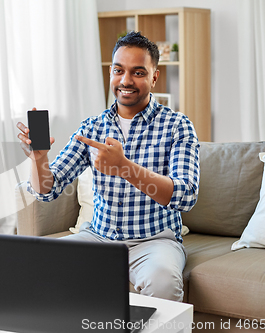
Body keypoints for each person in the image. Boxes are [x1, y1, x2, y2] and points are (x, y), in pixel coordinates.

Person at [16, 31, 200, 302]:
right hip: (98, 238)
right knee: (35, 263)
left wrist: (124, 167)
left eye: (138, 72)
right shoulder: (93, 127)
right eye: (118, 70)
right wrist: (39, 158)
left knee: (163, 283)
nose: (126, 81)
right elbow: (47, 191)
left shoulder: (177, 125)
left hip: (154, 242)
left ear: (154, 76)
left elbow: (186, 196)